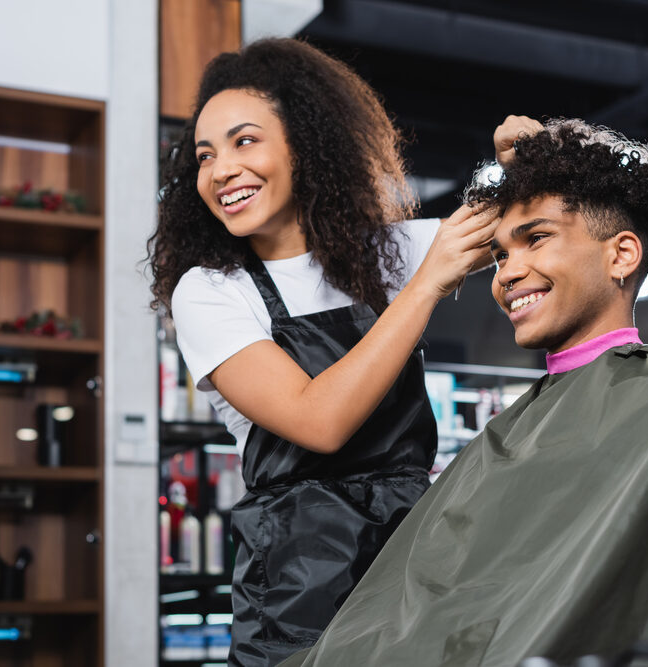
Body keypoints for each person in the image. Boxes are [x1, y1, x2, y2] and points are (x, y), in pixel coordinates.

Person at [148, 38, 531, 666]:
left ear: (306, 143)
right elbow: (317, 421)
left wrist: (522, 163)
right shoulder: (212, 291)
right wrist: (426, 283)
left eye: (245, 142)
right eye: (205, 155)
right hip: (300, 580)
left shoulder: (392, 250)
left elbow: (528, 224)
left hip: (412, 551)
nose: (220, 170)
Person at [280, 118, 648, 667]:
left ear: (622, 255)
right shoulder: (511, 433)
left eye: (537, 239)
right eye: (500, 255)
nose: (507, 273)